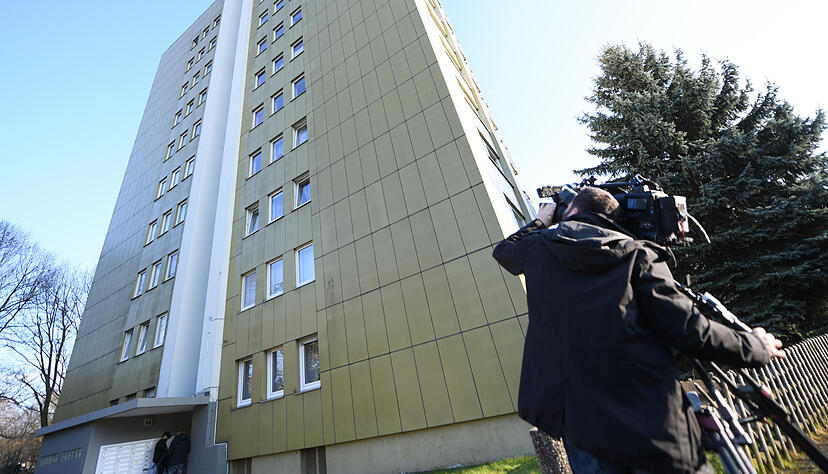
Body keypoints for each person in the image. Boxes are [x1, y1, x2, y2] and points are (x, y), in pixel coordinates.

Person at [493, 187, 784, 473]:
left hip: (581, 424)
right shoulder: (637, 254)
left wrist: (542, 220)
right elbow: (689, 329)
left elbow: (504, 251)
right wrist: (756, 346)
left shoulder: (536, 248)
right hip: (648, 422)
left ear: (574, 210)